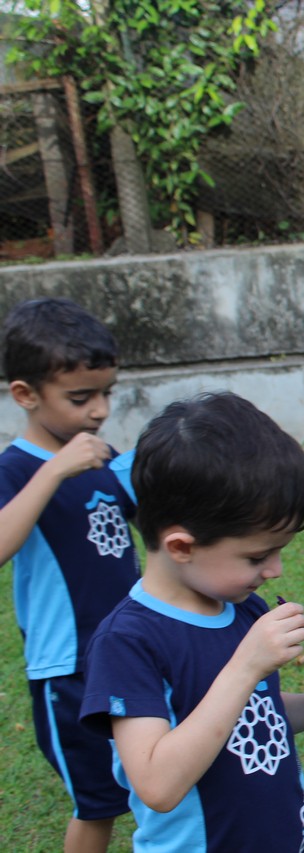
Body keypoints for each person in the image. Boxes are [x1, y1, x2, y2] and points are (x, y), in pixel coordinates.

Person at [80, 391, 304, 851]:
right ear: (181, 547)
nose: (275, 570)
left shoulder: (242, 608)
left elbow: (256, 717)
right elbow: (157, 785)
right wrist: (246, 666)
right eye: (257, 556)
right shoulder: (127, 642)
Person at [0, 298, 136, 853]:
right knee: (98, 803)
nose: (99, 410)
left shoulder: (101, 456)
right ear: (25, 394)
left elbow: (156, 520)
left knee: (160, 776)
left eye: (107, 393)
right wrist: (55, 470)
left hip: (132, 649)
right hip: (69, 668)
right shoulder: (16, 469)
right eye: (81, 398)